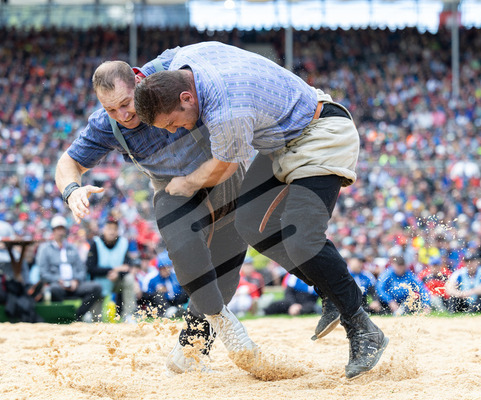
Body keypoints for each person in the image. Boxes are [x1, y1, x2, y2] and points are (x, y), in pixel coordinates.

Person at [134, 41, 385, 379]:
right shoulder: (185, 59)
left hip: (320, 134)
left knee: (302, 238)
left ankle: (362, 327)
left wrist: (187, 183)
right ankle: (330, 293)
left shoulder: (228, 110)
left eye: (172, 122)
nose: (175, 130)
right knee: (250, 223)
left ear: (186, 98)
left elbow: (224, 166)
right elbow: (148, 71)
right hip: (282, 140)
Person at [54, 54, 263, 374]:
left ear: (139, 82)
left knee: (226, 278)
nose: (122, 115)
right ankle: (226, 325)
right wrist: (72, 190)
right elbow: (68, 162)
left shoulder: (171, 72)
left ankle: (189, 353)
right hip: (174, 192)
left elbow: (203, 59)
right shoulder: (106, 125)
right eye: (111, 109)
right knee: (184, 250)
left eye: (126, 103)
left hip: (223, 178)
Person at [35, 216, 103, 322]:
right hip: (58, 285)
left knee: (96, 287)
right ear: (53, 231)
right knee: (54, 289)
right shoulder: (45, 249)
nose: (60, 232)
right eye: (58, 229)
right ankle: (60, 317)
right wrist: (58, 280)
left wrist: (76, 280)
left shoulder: (72, 248)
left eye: (62, 229)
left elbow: (82, 269)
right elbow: (43, 273)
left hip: (74, 284)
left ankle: (77, 316)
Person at [86, 217, 138, 321]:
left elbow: (128, 266)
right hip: (99, 284)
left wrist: (118, 274)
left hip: (117, 281)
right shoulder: (96, 243)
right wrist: (113, 270)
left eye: (115, 229)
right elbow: (90, 268)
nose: (112, 232)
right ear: (104, 230)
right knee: (95, 319)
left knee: (129, 279)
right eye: (109, 228)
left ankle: (128, 315)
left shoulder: (123, 243)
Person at [138, 251, 188, 318]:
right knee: (157, 294)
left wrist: (170, 289)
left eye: (167, 268)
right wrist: (158, 291)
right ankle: (168, 311)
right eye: (163, 268)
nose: (165, 270)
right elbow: (145, 294)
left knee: (185, 290)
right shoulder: (151, 278)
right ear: (159, 268)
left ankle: (178, 309)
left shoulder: (175, 276)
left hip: (175, 301)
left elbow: (180, 290)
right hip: (160, 304)